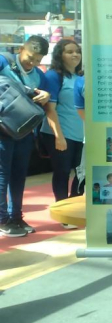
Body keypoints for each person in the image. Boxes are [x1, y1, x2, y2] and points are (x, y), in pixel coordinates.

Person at [0, 36, 50, 236]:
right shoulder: (3, 61)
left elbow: (45, 103)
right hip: (2, 132)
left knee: (19, 176)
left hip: (24, 133)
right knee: (2, 175)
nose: (34, 63)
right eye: (31, 57)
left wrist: (45, 96)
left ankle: (17, 217)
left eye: (38, 60)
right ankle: (3, 220)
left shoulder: (39, 76)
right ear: (21, 49)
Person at [40, 40, 84, 223]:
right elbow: (50, 109)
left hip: (80, 134)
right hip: (59, 134)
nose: (75, 55)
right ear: (60, 55)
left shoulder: (82, 77)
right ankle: (63, 210)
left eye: (78, 51)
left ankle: (74, 208)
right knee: (63, 172)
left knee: (81, 173)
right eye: (69, 51)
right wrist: (59, 136)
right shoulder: (53, 76)